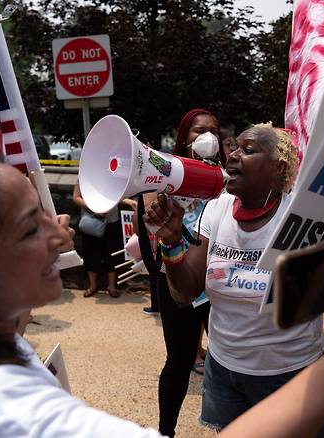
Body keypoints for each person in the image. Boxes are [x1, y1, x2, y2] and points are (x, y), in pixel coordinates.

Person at [0, 149, 324, 438]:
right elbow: (187, 293)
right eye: (32, 225)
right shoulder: (2, 407)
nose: (62, 229)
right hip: (228, 371)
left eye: (49, 214)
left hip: (289, 371)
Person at [146, 122, 324, 435]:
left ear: (276, 168)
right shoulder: (216, 209)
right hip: (224, 374)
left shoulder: (303, 220)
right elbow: (185, 292)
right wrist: (172, 244)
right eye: (236, 147)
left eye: (249, 150)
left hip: (292, 380)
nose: (233, 156)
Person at [135, 108, 226, 437]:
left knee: (225, 357)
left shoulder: (230, 177)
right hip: (175, 275)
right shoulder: (166, 176)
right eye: (198, 130)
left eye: (214, 130)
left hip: (216, 279)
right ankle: (165, 431)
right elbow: (151, 224)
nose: (207, 136)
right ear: (184, 137)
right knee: (179, 360)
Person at [72, 183, 134, 298]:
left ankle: (111, 286)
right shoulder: (83, 176)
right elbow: (76, 197)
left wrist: (128, 201)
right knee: (91, 253)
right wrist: (93, 207)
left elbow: (119, 194)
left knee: (112, 253)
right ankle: (92, 285)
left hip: (112, 221)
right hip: (91, 221)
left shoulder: (114, 176)